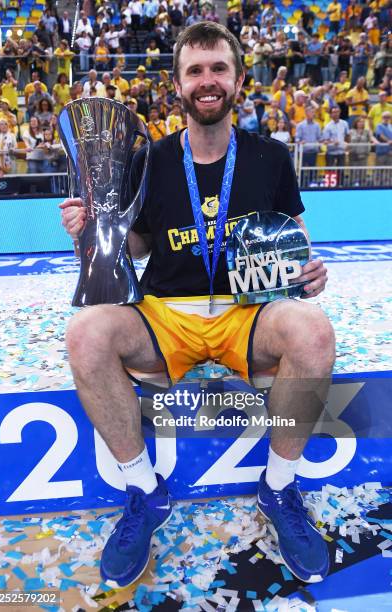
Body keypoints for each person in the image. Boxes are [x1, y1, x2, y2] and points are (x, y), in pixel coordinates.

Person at [59, 22, 334, 589]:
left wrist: (309, 271)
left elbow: (295, 239)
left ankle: (278, 487)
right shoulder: (150, 159)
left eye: (218, 69)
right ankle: (144, 490)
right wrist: (90, 231)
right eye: (195, 71)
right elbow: (132, 247)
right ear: (177, 85)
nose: (207, 81)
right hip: (166, 315)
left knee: (312, 331)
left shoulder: (272, 158)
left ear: (238, 81)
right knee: (85, 332)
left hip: (245, 312)